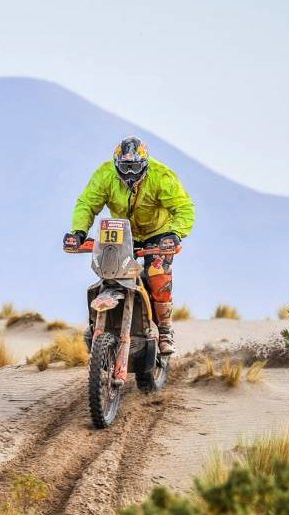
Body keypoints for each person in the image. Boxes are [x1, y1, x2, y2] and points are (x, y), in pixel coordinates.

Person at [64, 136, 195, 354]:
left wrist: (175, 233)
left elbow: (184, 208)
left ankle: (164, 329)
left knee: (157, 272)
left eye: (135, 167)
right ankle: (96, 326)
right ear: (116, 164)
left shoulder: (162, 176)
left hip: (159, 234)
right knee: (109, 272)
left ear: (145, 164)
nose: (130, 173)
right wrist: (79, 232)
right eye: (125, 167)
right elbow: (87, 203)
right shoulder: (105, 175)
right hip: (121, 233)